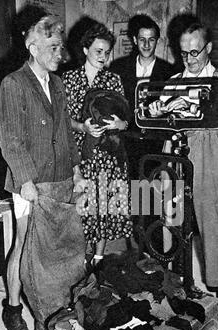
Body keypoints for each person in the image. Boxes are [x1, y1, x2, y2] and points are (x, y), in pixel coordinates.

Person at [0, 12, 84, 330]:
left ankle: (55, 311)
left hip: (59, 177)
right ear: (32, 47)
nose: (58, 53)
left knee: (56, 249)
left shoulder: (57, 84)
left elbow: (65, 132)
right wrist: (25, 181)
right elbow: (10, 138)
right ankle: (14, 306)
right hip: (30, 182)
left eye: (60, 46)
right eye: (51, 46)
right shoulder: (13, 84)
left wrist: (76, 171)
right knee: (26, 246)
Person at [149, 19, 218, 307]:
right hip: (176, 149)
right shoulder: (173, 83)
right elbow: (158, 122)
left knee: (213, 214)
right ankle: (174, 278)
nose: (189, 59)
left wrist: (188, 108)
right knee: (170, 213)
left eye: (195, 52)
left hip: (210, 147)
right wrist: (156, 110)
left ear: (208, 48)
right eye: (184, 53)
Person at [62, 23, 132, 270]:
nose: (103, 57)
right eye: (98, 51)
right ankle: (80, 258)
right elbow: (61, 119)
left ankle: (100, 258)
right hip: (79, 154)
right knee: (82, 207)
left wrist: (119, 123)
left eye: (106, 52)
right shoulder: (68, 79)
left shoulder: (113, 79)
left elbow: (126, 121)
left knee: (104, 207)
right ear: (85, 49)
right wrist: (83, 127)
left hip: (109, 154)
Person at [109, 14, 177, 180]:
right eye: (142, 39)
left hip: (157, 144)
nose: (146, 45)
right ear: (134, 40)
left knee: (153, 196)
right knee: (128, 194)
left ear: (157, 41)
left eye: (151, 40)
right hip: (125, 141)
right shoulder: (118, 68)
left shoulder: (169, 72)